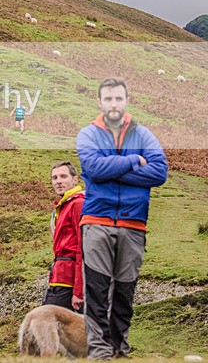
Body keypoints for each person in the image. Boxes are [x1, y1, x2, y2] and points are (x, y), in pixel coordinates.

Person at [77, 77, 168, 359]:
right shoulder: (88, 134)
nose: (113, 104)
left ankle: (120, 349)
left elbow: (159, 173)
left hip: (133, 225)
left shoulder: (144, 135)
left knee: (124, 294)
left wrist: (110, 169)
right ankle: (100, 352)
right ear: (100, 102)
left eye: (118, 98)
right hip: (96, 222)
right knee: (97, 291)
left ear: (126, 101)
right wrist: (132, 161)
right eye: (108, 99)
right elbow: (92, 167)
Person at [44, 162, 85, 313]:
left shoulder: (78, 204)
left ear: (75, 180)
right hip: (60, 277)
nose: (58, 181)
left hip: (70, 282)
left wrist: (79, 291)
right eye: (54, 178)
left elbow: (84, 247)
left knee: (47, 326)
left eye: (63, 176)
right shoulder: (63, 206)